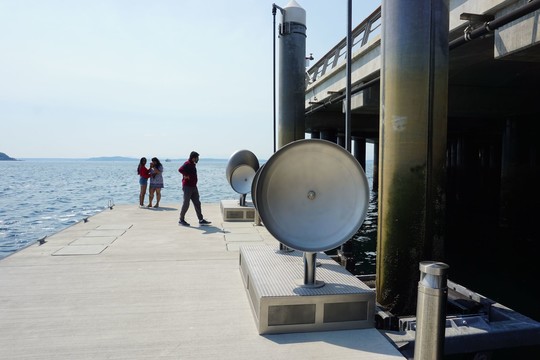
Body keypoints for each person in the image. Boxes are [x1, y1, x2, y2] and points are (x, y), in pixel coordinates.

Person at [178, 151, 211, 226]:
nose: (198, 159)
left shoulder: (193, 164)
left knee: (197, 203)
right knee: (186, 203)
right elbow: (180, 169)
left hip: (193, 187)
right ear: (193, 158)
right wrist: (186, 175)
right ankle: (181, 220)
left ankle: (201, 220)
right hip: (187, 187)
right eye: (197, 158)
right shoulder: (187, 164)